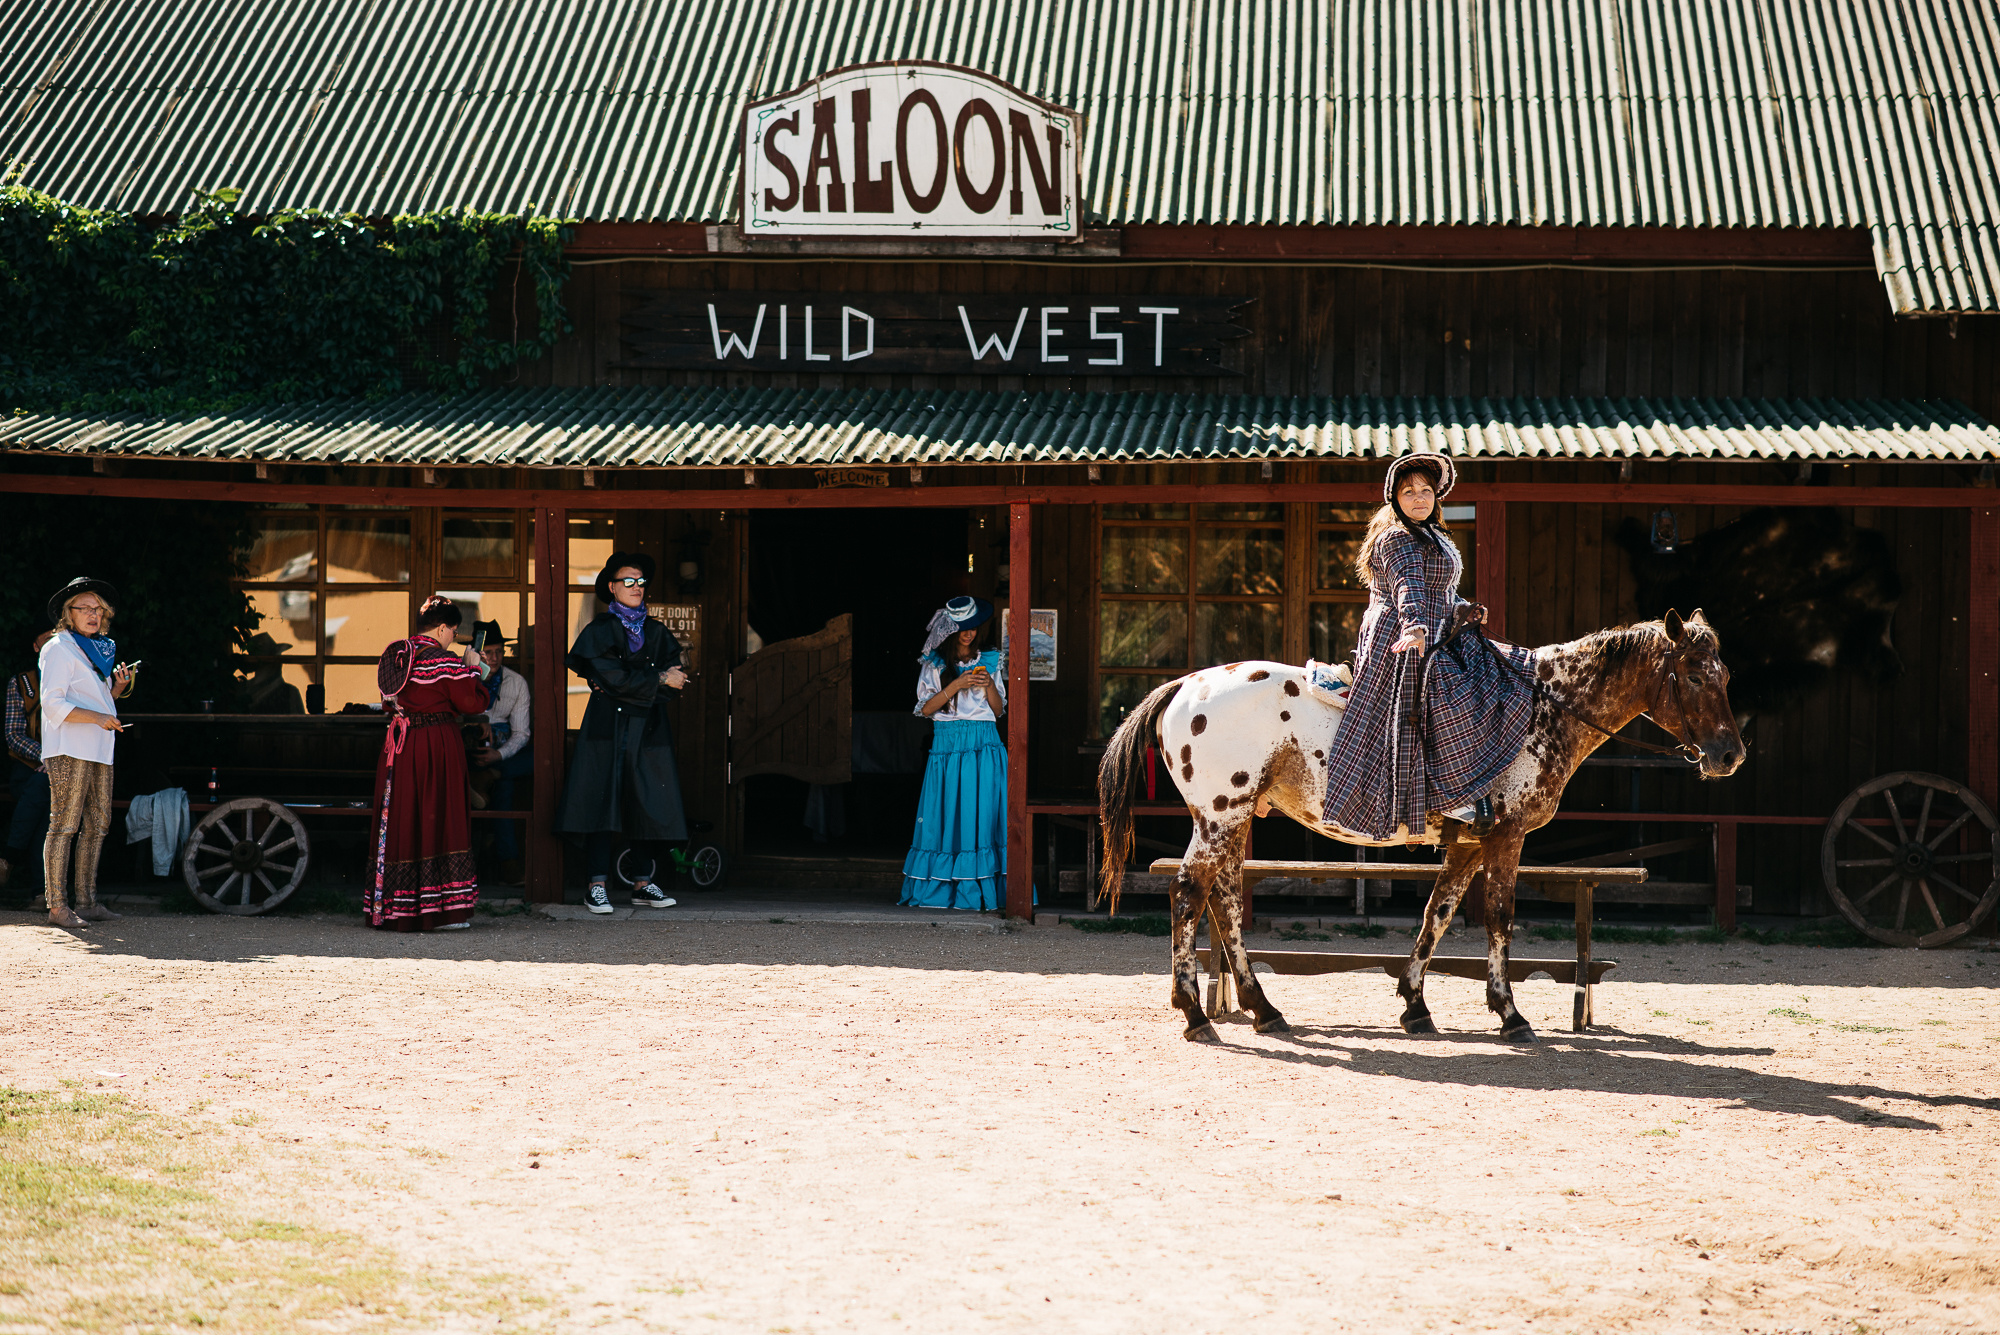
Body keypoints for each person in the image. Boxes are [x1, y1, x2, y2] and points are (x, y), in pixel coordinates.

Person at [1321, 453, 1537, 843]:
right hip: (1401, 635)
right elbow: (1410, 586)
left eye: (1426, 491)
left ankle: (1468, 782)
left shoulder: (1432, 534)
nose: (1419, 498)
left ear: (1437, 496)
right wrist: (1416, 628)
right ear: (1395, 498)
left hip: (1436, 631)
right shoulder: (1397, 538)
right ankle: (1450, 796)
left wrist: (1463, 608)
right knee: (1451, 695)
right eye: (1409, 492)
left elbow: (1440, 590)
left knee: (1495, 678)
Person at [557, 553, 686, 914]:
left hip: (648, 730)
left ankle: (643, 883)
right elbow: (610, 678)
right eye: (628, 581)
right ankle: (595, 885)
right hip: (606, 729)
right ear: (612, 587)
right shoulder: (599, 630)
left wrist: (633, 684)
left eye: (640, 581)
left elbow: (675, 683)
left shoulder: (657, 632)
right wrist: (657, 678)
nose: (636, 587)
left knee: (645, 800)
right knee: (602, 799)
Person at [369, 595, 491, 932]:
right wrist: (472, 668)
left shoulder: (397, 655)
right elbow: (470, 703)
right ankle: (441, 912)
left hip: (399, 748)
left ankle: (394, 908)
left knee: (403, 819)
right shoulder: (446, 660)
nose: (453, 637)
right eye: (453, 631)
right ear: (441, 629)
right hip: (436, 746)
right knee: (441, 817)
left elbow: (388, 701)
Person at [899, 596, 1009, 910]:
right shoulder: (934, 662)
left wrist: (988, 685)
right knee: (946, 817)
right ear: (948, 630)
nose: (968, 633)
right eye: (961, 628)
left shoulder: (990, 659)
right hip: (947, 746)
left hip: (984, 745)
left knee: (982, 816)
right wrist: (957, 684)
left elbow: (998, 710)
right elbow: (925, 709)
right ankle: (942, 889)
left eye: (973, 627)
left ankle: (983, 890)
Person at [39, 578, 135, 927]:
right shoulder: (58, 648)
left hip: (98, 747)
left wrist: (116, 688)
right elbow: (52, 703)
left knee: (97, 825)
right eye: (86, 609)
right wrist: (97, 717)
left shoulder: (93, 650)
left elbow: (93, 697)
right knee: (64, 825)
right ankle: (57, 907)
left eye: (99, 609)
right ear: (69, 613)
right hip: (69, 748)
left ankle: (88, 902)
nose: (94, 615)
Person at [466, 620, 531, 885]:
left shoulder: (516, 683)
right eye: (488, 653)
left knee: (535, 760)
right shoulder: (463, 678)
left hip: (501, 754)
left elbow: (521, 733)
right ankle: (507, 863)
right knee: (502, 788)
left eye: (499, 652)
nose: (494, 658)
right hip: (468, 752)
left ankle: (489, 776)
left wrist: (499, 756)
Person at [2, 631, 57, 893]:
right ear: (36, 646)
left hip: (62, 771)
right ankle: (42, 892)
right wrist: (45, 756)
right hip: (26, 770)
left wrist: (56, 761)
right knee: (43, 794)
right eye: (46, 640)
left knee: (44, 790)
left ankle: (9, 857)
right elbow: (13, 735)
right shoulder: (22, 683)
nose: (52, 645)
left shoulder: (75, 681)